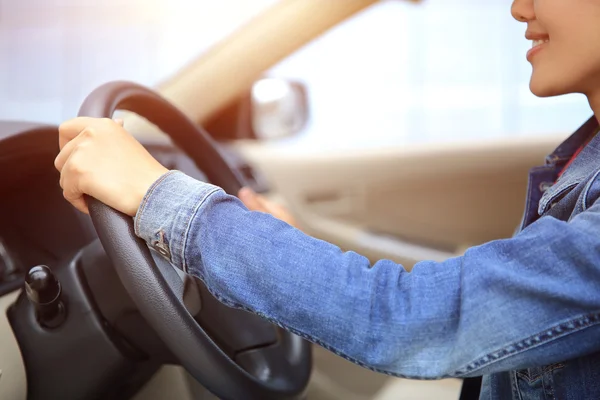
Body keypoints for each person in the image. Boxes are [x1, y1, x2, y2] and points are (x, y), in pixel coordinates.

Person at [54, 0, 600, 398]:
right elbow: (489, 301)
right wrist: (283, 249)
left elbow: (418, 320)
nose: (518, 7)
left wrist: (158, 197)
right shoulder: (585, 153)